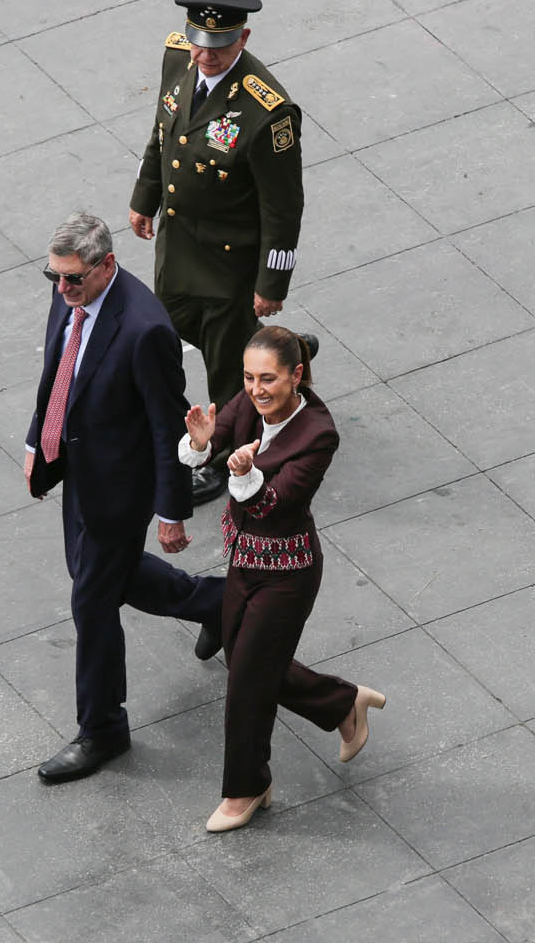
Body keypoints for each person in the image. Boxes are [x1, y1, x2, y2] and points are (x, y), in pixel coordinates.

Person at [24, 212, 225, 784]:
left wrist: (171, 510)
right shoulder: (70, 294)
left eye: (73, 280)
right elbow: (56, 371)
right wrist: (37, 443)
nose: (62, 291)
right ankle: (220, 604)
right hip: (77, 470)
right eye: (54, 278)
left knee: (91, 601)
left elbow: (169, 425)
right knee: (104, 576)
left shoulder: (144, 329)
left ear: (106, 265)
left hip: (120, 488)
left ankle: (103, 729)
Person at [181, 326, 385, 832]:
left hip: (289, 574)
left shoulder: (318, 433)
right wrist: (202, 443)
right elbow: (219, 436)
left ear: (296, 376)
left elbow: (273, 503)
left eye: (267, 379)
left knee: (248, 678)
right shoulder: (249, 402)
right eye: (249, 378)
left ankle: (247, 788)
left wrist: (246, 472)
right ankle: (342, 701)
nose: (255, 389)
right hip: (244, 559)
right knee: (241, 654)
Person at [128, 0, 304, 507]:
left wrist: (271, 283)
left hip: (230, 263)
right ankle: (285, 357)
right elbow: (163, 134)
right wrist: (145, 196)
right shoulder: (178, 58)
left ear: (243, 38)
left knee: (229, 369)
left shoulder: (267, 112)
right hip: (180, 246)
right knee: (167, 334)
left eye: (219, 47)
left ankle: (225, 452)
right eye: (198, 42)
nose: (204, 56)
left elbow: (283, 207)